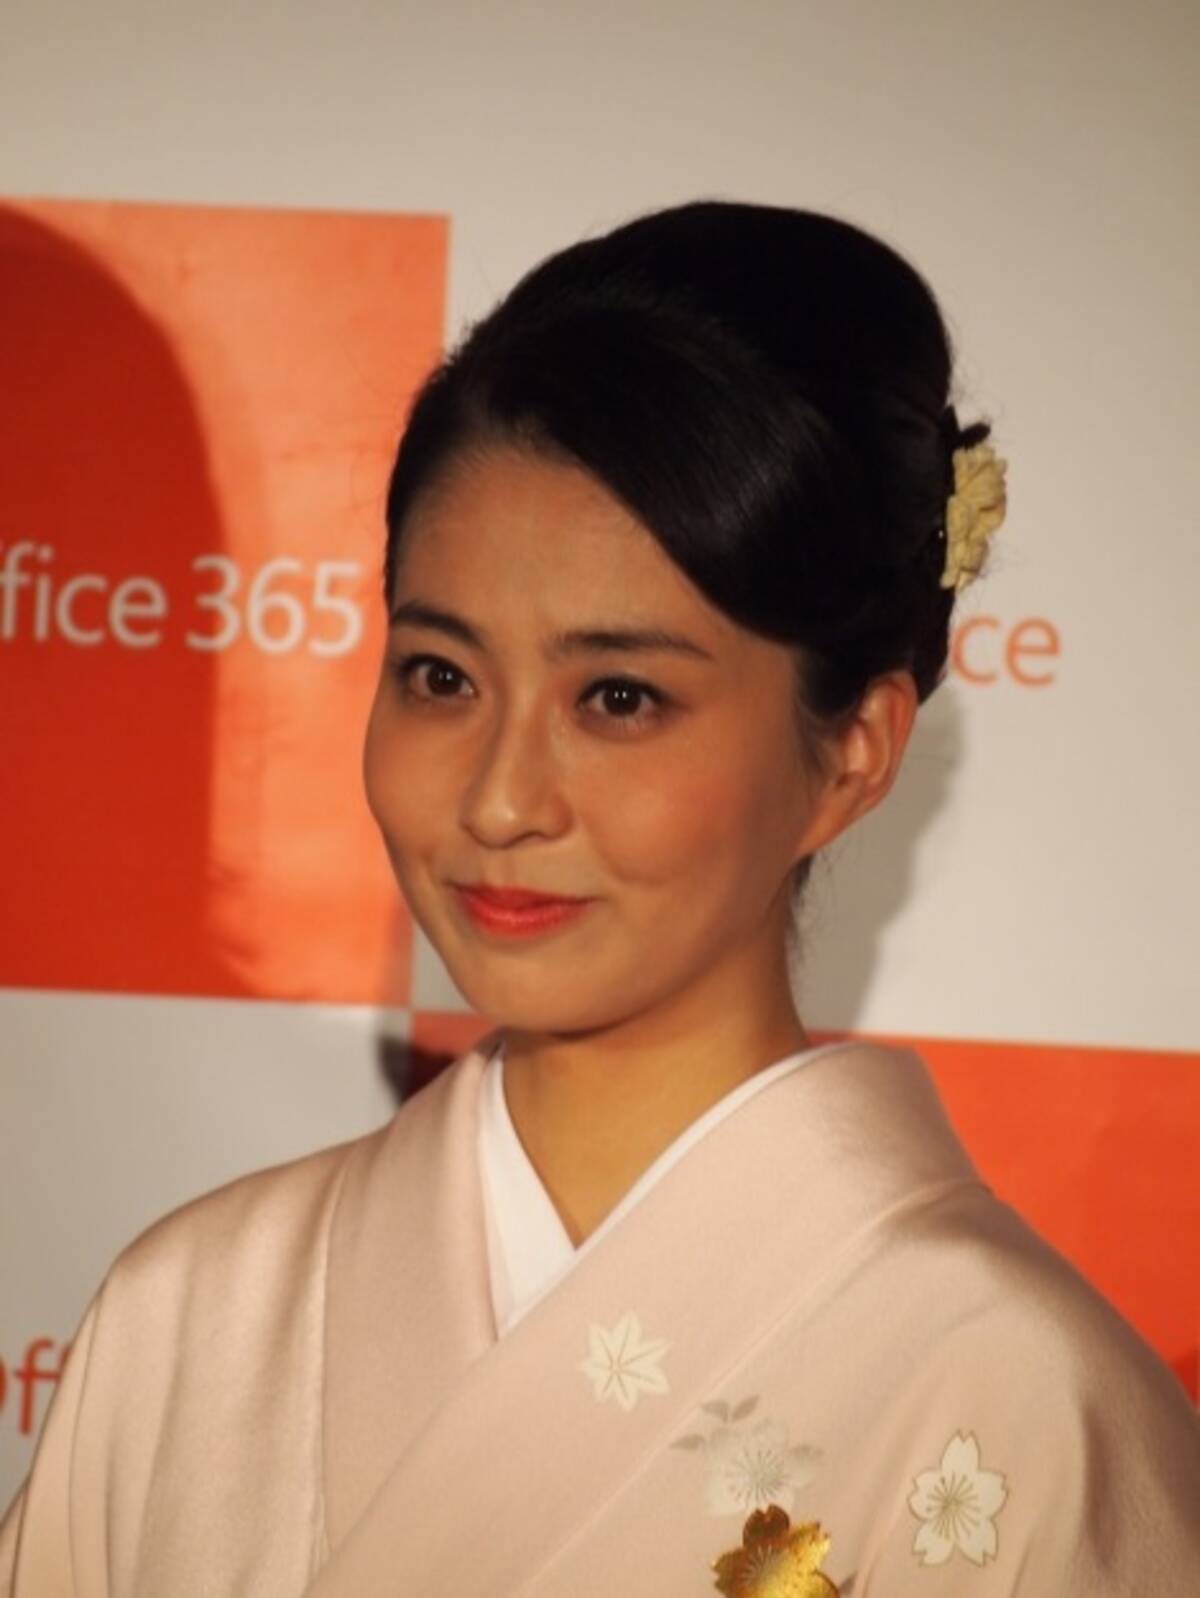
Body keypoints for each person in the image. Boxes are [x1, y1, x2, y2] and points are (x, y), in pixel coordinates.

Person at [2, 200, 1196, 1596]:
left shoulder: (1015, 1407)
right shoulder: (189, 1318)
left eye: (619, 698)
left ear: (852, 754)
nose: (501, 800)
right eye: (442, 677)